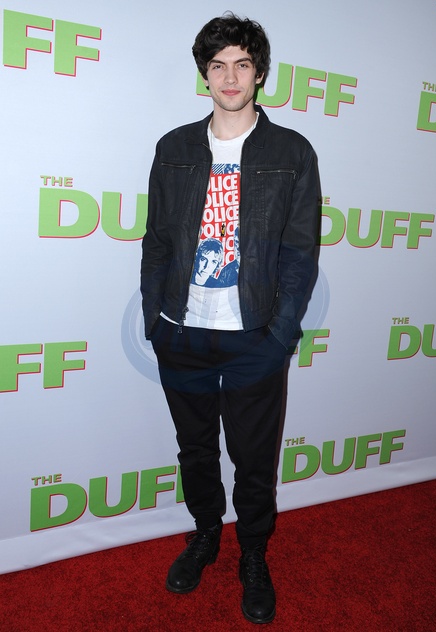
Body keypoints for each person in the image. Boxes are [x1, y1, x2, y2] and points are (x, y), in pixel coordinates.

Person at [141, 13, 320, 625]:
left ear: (260, 72)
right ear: (205, 75)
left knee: (254, 458)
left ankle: (253, 553)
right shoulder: (173, 148)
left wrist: (280, 336)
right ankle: (205, 535)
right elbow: (156, 241)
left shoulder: (291, 152)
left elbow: (299, 254)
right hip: (181, 331)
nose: (230, 77)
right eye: (218, 65)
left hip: (254, 337)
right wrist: (155, 318)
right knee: (195, 450)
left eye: (242, 64)